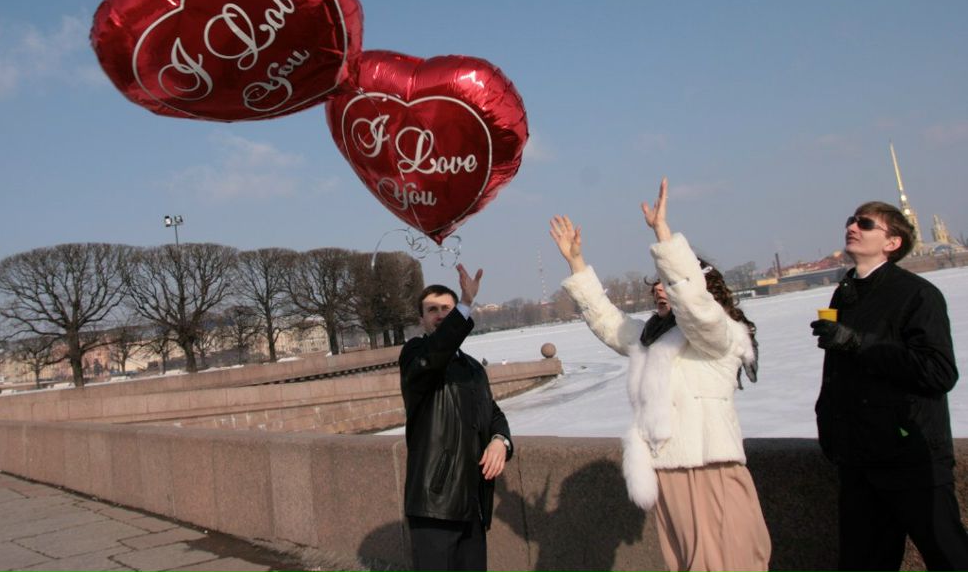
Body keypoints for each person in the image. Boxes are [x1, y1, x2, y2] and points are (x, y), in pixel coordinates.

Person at [549, 178, 770, 572]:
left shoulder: (719, 335)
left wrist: (663, 235)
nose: (660, 291)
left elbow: (696, 308)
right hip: (668, 471)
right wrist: (576, 263)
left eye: (668, 284)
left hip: (709, 469)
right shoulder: (653, 338)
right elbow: (608, 322)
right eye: (658, 286)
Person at [811, 201, 968, 571]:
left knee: (950, 558)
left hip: (911, 459)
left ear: (892, 243)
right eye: (851, 220)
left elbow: (939, 372)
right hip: (859, 460)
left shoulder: (917, 294)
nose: (853, 227)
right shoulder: (846, 292)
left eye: (865, 223)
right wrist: (829, 424)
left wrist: (857, 343)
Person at [400, 263, 513, 572]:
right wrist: (464, 304)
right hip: (434, 502)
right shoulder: (415, 355)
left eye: (446, 309)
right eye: (432, 310)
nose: (440, 315)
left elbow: (493, 412)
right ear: (421, 320)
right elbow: (436, 354)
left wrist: (500, 441)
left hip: (473, 501)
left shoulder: (474, 367)